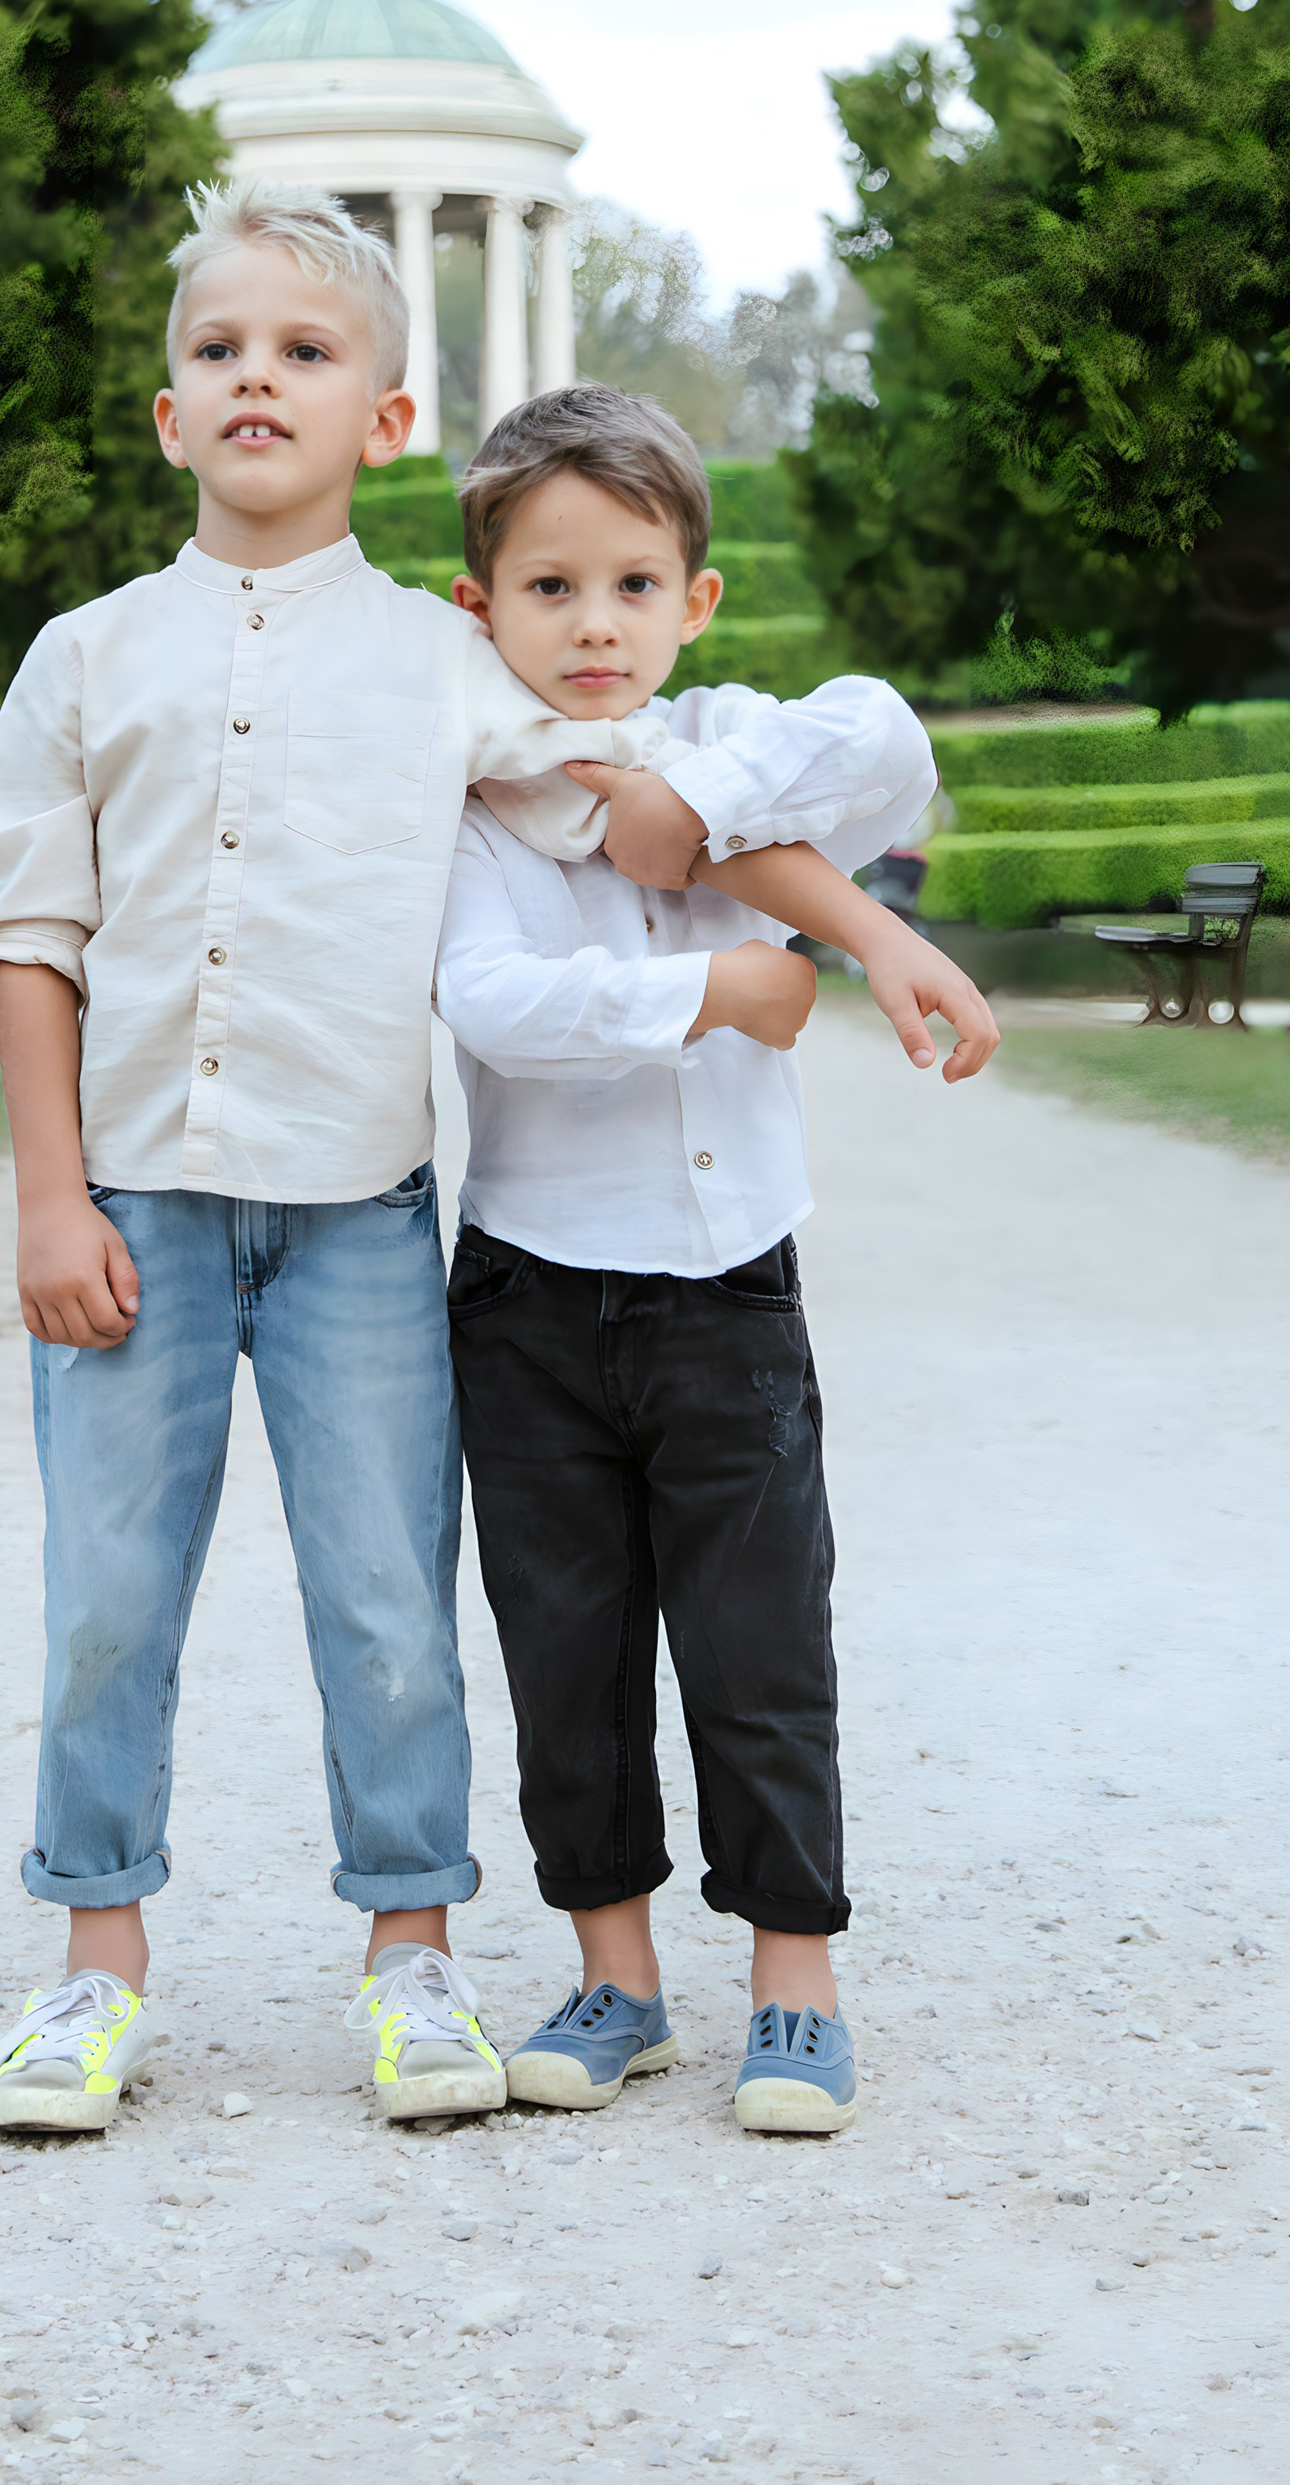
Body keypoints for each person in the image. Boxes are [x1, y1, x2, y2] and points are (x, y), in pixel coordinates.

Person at [0, 182, 931, 2133]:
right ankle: (92, 1971)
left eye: (305, 352)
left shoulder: (446, 660)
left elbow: (643, 802)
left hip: (357, 1223)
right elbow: (31, 933)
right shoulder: (81, 654)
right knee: (104, 1598)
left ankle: (410, 1964)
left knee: (390, 1604)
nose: (258, 378)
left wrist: (840, 926)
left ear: (381, 420)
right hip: (132, 1201)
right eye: (219, 350)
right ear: (168, 412)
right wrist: (48, 1194)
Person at [433, 383, 997, 2136]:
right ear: (480, 609)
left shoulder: (744, 733)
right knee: (567, 1647)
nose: (592, 624)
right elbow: (489, 1002)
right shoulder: (468, 792)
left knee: (760, 1639)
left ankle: (794, 1984)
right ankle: (615, 1975)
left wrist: (682, 798)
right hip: (531, 1289)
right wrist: (713, 983)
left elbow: (889, 739)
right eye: (548, 588)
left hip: (730, 1286)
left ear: (696, 599)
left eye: (630, 583)